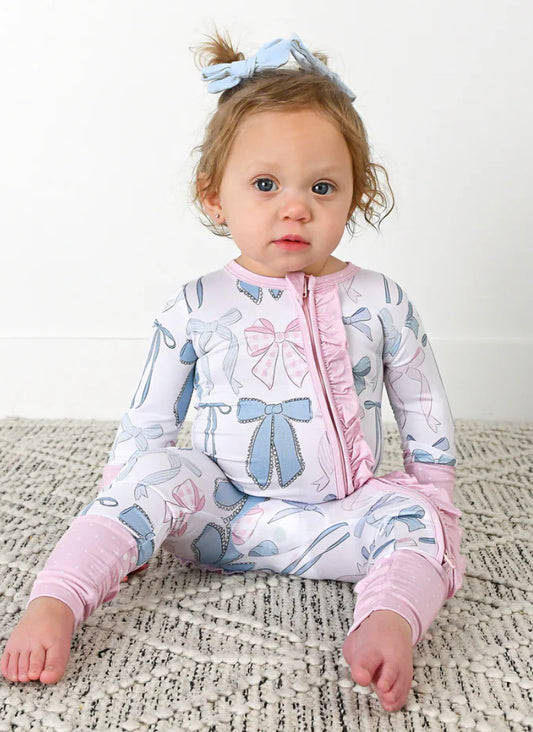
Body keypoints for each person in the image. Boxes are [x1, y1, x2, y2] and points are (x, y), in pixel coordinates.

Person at [1, 32, 465, 713]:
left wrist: (435, 495)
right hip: (221, 517)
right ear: (214, 197)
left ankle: (389, 618)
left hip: (343, 520)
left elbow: (421, 402)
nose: (295, 207)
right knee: (154, 473)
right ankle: (57, 601)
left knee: (419, 523)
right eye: (265, 184)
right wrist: (129, 513)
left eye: (323, 187)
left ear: (355, 195)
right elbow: (149, 420)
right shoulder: (196, 305)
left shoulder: (380, 301)